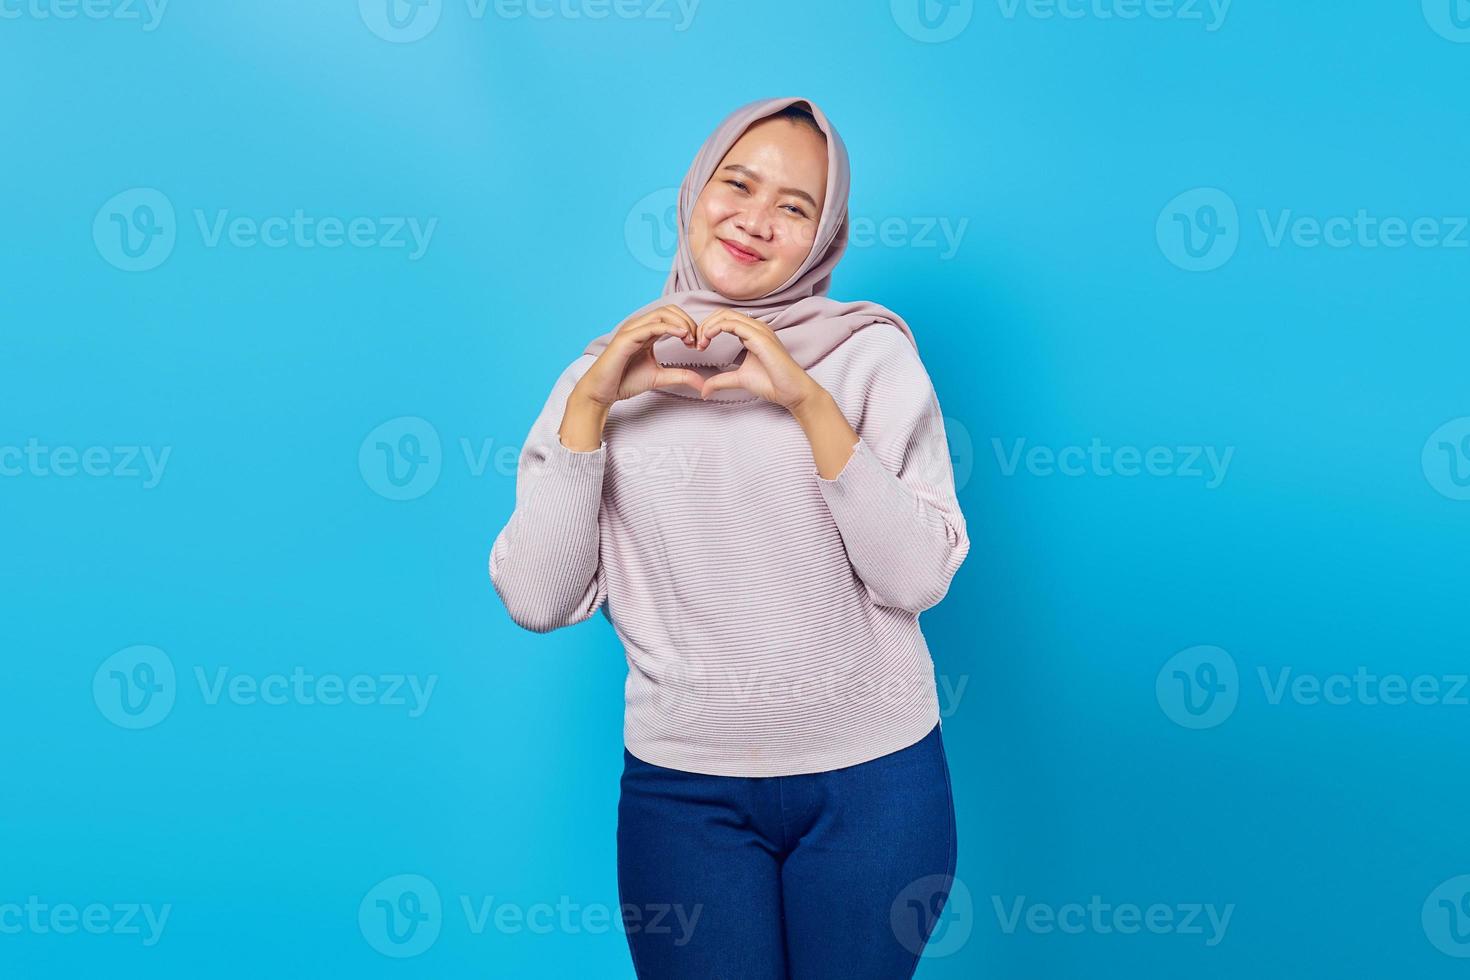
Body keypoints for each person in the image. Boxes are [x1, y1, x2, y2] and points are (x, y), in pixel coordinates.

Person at [489, 96, 969, 978]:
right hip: (684, 795)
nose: (755, 221)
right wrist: (594, 408)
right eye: (736, 185)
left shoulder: (868, 359)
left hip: (876, 789)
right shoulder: (598, 379)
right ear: (693, 192)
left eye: (794, 207)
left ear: (825, 237)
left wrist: (806, 403)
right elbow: (538, 597)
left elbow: (916, 578)